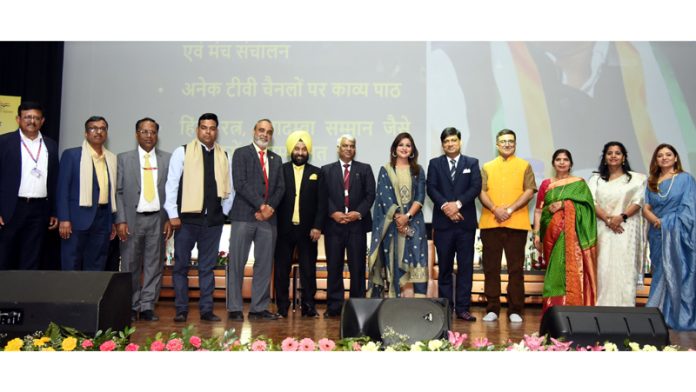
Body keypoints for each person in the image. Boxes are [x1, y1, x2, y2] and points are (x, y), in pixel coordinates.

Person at [164, 113, 233, 322]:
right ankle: (181, 309)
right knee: (181, 266)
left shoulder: (223, 155)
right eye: (204, 127)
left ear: (216, 131)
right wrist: (173, 214)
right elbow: (172, 183)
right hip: (186, 221)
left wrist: (224, 214)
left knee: (207, 268)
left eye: (212, 128)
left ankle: (206, 310)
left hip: (212, 222)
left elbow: (229, 189)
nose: (208, 132)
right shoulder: (182, 152)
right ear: (197, 130)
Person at [227, 119, 285, 321]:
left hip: (269, 220)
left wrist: (269, 209)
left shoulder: (276, 159)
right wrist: (261, 205)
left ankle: (258, 308)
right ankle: (234, 307)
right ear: (254, 131)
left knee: (264, 264)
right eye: (261, 130)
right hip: (244, 215)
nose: (265, 134)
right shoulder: (241, 153)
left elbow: (280, 188)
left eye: (269, 132)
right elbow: (240, 183)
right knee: (237, 262)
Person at [115, 118, 172, 322]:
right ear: (136, 134)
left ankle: (147, 305)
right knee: (130, 265)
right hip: (132, 219)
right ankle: (131, 305)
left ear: (157, 135)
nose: (149, 136)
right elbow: (118, 192)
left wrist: (168, 218)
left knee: (153, 265)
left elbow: (172, 192)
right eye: (144, 132)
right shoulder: (123, 159)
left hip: (157, 218)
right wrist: (120, 220)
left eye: (153, 132)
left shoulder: (167, 159)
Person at [479, 129, 536, 323]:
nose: (507, 144)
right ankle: (492, 307)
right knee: (491, 268)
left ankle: (515, 309)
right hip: (490, 222)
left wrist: (509, 210)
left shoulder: (524, 165)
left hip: (517, 223)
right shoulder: (487, 166)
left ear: (515, 144)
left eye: (510, 141)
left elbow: (530, 190)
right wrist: (495, 209)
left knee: (516, 269)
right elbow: (480, 191)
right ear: (497, 145)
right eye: (503, 141)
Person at [425, 128, 481, 320]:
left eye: (453, 140)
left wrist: (456, 205)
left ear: (460, 142)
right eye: (446, 141)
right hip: (443, 225)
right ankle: (446, 307)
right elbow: (431, 188)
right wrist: (445, 207)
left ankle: (463, 308)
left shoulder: (472, 163)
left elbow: (475, 187)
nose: (450, 144)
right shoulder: (434, 164)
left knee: (465, 267)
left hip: (465, 224)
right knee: (445, 268)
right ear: (442, 145)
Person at [532, 149, 597, 314]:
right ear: (553, 163)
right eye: (558, 159)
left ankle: (570, 306)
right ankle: (553, 309)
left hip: (572, 236)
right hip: (549, 235)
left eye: (565, 159)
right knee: (553, 271)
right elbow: (539, 211)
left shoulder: (579, 183)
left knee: (566, 269)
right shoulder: (546, 184)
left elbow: (588, 207)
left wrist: (564, 205)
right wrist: (536, 234)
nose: (562, 162)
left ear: (571, 163)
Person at [321, 134, 376, 317]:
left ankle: (356, 307)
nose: (348, 149)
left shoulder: (365, 169)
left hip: (357, 226)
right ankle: (334, 307)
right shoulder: (326, 170)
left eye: (352, 146)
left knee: (358, 268)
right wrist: (333, 213)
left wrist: (357, 213)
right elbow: (323, 197)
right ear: (338, 148)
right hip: (333, 226)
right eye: (345, 146)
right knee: (334, 267)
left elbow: (370, 195)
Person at [368, 132, 429, 298]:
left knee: (418, 257)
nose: (404, 148)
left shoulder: (418, 170)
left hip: (414, 224)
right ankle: (395, 302)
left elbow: (420, 197)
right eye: (401, 145)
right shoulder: (386, 170)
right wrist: (398, 218)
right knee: (394, 258)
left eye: (408, 145)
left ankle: (420, 303)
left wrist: (406, 217)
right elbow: (383, 197)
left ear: (413, 150)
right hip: (392, 225)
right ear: (395, 149)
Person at [0, 101, 59, 270]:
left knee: (32, 258)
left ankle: (23, 296)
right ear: (18, 119)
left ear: (42, 121)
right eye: (27, 117)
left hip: (39, 210)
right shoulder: (4, 142)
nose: (31, 121)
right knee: (4, 255)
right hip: (11, 209)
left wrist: (54, 210)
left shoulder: (50, 145)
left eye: (36, 118)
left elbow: (54, 179)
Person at [643, 144, 696, 330]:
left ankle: (666, 315)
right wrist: (657, 221)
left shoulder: (685, 179)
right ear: (656, 160)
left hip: (678, 234)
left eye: (668, 154)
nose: (664, 158)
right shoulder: (652, 182)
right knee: (660, 270)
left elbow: (689, 208)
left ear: (675, 158)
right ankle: (656, 316)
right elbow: (646, 207)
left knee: (676, 271)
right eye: (660, 155)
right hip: (657, 233)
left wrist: (667, 222)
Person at [273, 130, 325, 318]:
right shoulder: (280, 170)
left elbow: (322, 203)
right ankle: (281, 307)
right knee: (281, 270)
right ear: (291, 150)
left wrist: (318, 226)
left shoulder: (317, 173)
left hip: (308, 230)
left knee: (308, 270)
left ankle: (309, 306)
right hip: (283, 229)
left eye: (304, 149)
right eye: (297, 148)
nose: (300, 152)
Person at [588, 141, 647, 307]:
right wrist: (608, 219)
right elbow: (591, 201)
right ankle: (602, 309)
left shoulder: (637, 179)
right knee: (604, 269)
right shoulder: (596, 179)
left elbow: (638, 201)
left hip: (626, 229)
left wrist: (621, 217)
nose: (613, 156)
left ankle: (625, 309)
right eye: (610, 153)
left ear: (624, 157)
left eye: (617, 153)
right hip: (602, 228)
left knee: (624, 268)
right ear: (605, 158)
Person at [57, 116, 117, 271]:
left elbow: (112, 192)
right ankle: (70, 296)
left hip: (103, 218)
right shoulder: (72, 155)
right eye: (93, 128)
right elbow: (62, 189)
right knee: (72, 262)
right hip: (77, 218)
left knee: (97, 263)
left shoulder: (111, 158)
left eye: (102, 128)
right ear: (86, 133)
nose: (98, 132)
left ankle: (91, 295)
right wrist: (64, 219)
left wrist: (112, 221)